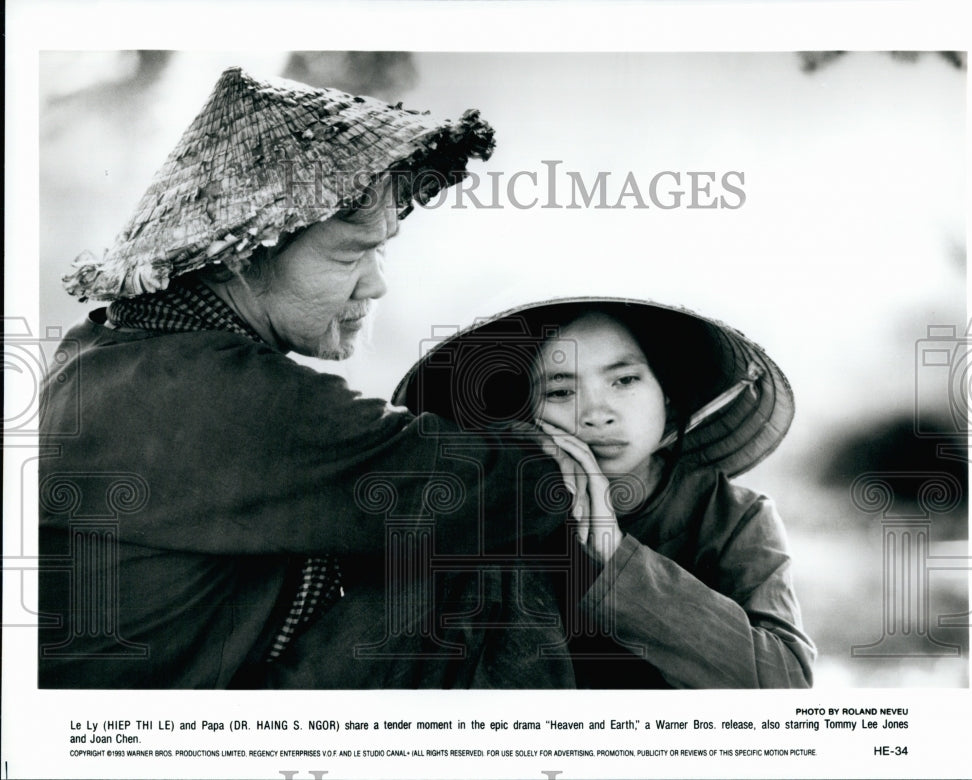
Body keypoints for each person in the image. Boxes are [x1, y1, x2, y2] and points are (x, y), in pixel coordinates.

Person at [38, 67, 577, 689]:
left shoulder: (104, 350)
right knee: (476, 559)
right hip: (163, 742)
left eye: (382, 249)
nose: (376, 282)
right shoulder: (226, 395)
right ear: (243, 253)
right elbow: (504, 487)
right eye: (351, 253)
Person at [393, 299, 816, 688]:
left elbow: (788, 684)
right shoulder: (499, 515)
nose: (597, 415)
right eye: (560, 391)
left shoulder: (735, 518)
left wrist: (619, 560)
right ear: (522, 415)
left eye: (625, 380)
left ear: (667, 393)